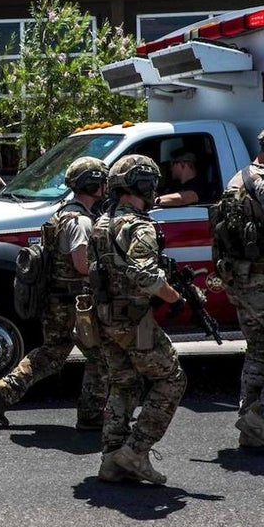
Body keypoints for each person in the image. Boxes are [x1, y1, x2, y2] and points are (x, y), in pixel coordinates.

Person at [0, 157, 109, 429]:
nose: (105, 186)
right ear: (92, 184)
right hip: (76, 303)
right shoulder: (81, 222)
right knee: (101, 357)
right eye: (101, 181)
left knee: (52, 353)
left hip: (56, 299)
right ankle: (91, 416)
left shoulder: (61, 214)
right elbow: (80, 264)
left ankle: (6, 388)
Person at [88, 154, 187, 485]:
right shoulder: (139, 226)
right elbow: (144, 274)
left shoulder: (101, 223)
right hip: (135, 320)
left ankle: (111, 461)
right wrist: (175, 298)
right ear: (142, 185)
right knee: (172, 379)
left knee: (124, 383)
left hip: (104, 317)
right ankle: (136, 451)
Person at [214, 123, 264, 453]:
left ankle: (251, 425)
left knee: (262, 351)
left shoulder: (238, 179)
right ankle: (263, 418)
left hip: (243, 284)